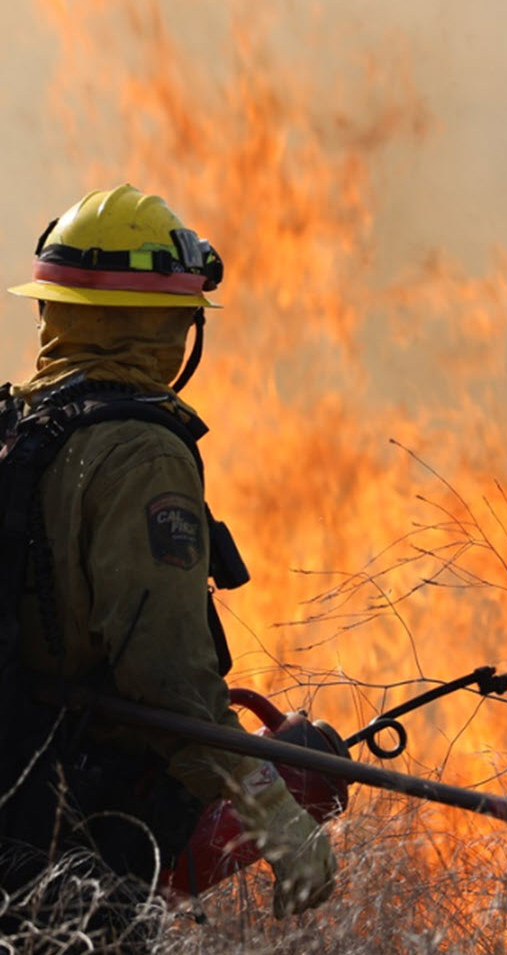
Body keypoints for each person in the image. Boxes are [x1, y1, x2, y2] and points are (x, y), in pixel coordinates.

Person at [0, 184, 336, 935]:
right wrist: (277, 817)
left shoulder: (15, 427)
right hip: (83, 823)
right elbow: (167, 675)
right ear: (168, 324)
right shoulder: (140, 453)